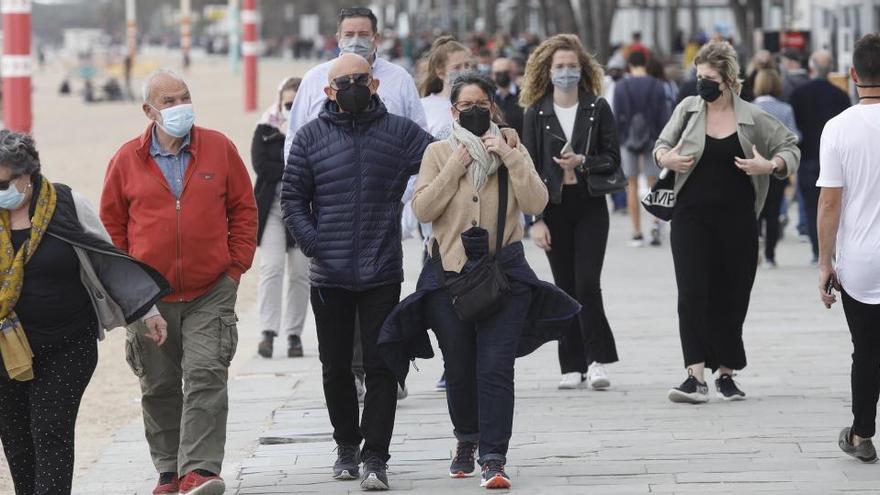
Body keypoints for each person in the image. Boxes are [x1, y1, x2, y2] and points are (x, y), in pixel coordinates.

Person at [378, 72, 578, 489]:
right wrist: (455, 165)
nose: (473, 112)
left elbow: (537, 201)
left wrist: (510, 157)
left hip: (503, 275)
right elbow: (422, 209)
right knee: (460, 365)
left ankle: (494, 456)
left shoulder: (510, 147)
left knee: (495, 367)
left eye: (480, 105)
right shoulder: (436, 151)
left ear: (492, 108)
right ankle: (466, 439)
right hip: (449, 279)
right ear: (453, 110)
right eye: (464, 106)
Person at [281, 53, 435, 491]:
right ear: (328, 91)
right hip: (328, 275)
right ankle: (346, 446)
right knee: (334, 367)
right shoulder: (310, 138)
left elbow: (442, 159)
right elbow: (292, 198)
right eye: (342, 80)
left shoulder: (401, 134)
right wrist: (315, 244)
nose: (352, 85)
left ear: (374, 84)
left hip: (381, 270)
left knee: (383, 364)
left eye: (360, 79)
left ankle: (376, 457)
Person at [101, 69, 258, 495]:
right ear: (149, 111)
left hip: (211, 289)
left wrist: (234, 268)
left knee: (207, 373)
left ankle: (201, 471)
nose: (179, 107)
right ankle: (169, 472)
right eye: (168, 101)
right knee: (159, 386)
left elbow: (244, 209)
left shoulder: (219, 148)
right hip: (147, 298)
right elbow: (112, 228)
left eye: (184, 97)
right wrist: (129, 287)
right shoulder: (126, 159)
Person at [0, 130, 169, 495]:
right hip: (5, 350)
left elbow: (105, 259)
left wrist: (147, 311)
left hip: (67, 345)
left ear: (28, 173)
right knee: (16, 441)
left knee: (50, 432)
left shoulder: (64, 203)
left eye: (4, 182)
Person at [284, 6, 427, 403]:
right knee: (339, 333)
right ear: (338, 35)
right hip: (332, 219)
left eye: (364, 32)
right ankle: (354, 380)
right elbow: (295, 147)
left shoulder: (399, 81)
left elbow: (424, 147)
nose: (357, 38)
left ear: (376, 38)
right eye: (350, 32)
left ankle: (380, 377)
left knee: (379, 311)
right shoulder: (315, 80)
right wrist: (312, 235)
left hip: (384, 212)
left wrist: (407, 201)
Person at [653, 41, 800, 404]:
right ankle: (695, 376)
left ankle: (727, 373)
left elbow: (790, 147)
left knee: (732, 295)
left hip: (738, 219)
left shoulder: (753, 117)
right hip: (690, 216)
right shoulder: (688, 109)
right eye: (698, 76)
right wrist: (666, 159)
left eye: (709, 78)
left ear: (729, 80)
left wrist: (770, 166)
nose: (701, 83)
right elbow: (661, 145)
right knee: (691, 294)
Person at [520, 34, 621, 390]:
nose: (566, 72)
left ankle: (596, 360)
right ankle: (571, 363)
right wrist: (535, 219)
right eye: (560, 67)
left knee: (587, 283)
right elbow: (528, 168)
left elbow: (613, 158)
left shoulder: (597, 108)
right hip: (554, 207)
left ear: (583, 70)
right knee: (564, 286)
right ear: (548, 71)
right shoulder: (536, 112)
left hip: (591, 204)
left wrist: (584, 162)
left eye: (572, 67)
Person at [817, 33, 880, 465]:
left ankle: (861, 434)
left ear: (853, 74)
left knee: (867, 349)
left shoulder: (838, 128)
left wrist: (825, 262)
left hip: (861, 260)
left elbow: (829, 202)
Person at [252, 76, 306, 359]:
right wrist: (289, 156)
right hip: (272, 209)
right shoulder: (265, 127)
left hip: (302, 210)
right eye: (287, 102)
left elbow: (312, 168)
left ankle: (294, 334)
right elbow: (262, 166)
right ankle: (268, 332)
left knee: (300, 273)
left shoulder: (312, 127)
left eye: (296, 102)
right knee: (271, 269)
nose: (289, 107)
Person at [790, 51, 851, 264]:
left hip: (808, 155)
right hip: (836, 159)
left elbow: (793, 129)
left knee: (810, 203)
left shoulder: (798, 94)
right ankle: (835, 248)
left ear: (812, 67)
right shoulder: (841, 95)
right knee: (837, 203)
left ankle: (818, 251)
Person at [614, 50, 669, 247]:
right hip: (653, 139)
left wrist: (620, 138)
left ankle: (636, 232)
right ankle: (655, 226)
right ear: (646, 63)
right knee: (654, 184)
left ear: (629, 65)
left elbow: (617, 115)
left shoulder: (621, 87)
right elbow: (663, 115)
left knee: (632, 185)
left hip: (629, 139)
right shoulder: (657, 86)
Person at [752, 69, 801, 267]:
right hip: (776, 166)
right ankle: (770, 255)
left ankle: (753, 251)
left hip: (753, 166)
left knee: (754, 212)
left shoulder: (749, 108)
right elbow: (795, 136)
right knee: (773, 213)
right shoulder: (785, 109)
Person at [492, 57, 524, 136]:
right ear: (492, 75)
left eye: (505, 72)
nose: (502, 76)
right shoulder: (489, 97)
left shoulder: (523, 94)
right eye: (498, 73)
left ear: (512, 72)